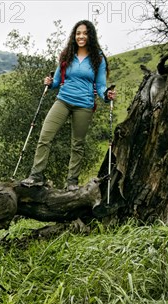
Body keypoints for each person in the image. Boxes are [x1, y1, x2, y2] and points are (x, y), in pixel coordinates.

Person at [21, 20, 116, 191]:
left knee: (77, 144)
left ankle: (71, 182)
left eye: (85, 33)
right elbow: (57, 81)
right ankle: (36, 176)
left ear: (91, 36)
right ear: (74, 35)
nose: (81, 36)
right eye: (78, 33)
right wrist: (49, 83)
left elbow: (101, 86)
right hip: (63, 100)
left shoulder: (98, 59)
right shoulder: (67, 54)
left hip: (84, 104)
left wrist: (107, 95)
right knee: (45, 136)